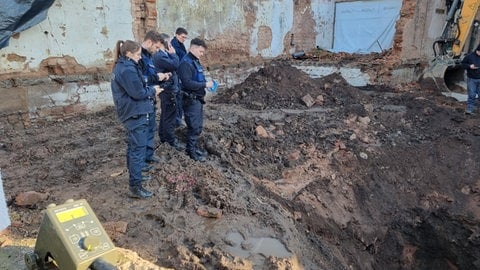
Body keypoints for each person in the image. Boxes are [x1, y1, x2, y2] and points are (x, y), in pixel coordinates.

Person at [111, 40, 163, 199]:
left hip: (134, 111)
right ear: (129, 54)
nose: (141, 58)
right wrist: (153, 90)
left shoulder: (126, 66)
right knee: (138, 148)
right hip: (135, 113)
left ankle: (137, 174)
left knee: (134, 147)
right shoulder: (127, 69)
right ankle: (135, 186)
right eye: (138, 54)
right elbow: (138, 93)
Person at [138, 30, 171, 168]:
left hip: (151, 98)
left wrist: (160, 78)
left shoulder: (149, 57)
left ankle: (148, 156)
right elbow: (139, 80)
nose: (157, 50)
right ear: (149, 42)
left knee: (151, 128)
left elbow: (149, 76)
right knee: (142, 132)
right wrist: (158, 77)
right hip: (142, 100)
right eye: (156, 47)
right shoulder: (138, 58)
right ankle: (141, 161)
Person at [177, 37, 214, 162]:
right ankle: (191, 152)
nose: (202, 54)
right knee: (193, 126)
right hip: (190, 100)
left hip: (198, 99)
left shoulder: (195, 61)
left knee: (198, 127)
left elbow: (198, 77)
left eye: (203, 52)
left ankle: (194, 148)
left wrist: (207, 82)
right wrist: (204, 85)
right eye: (200, 51)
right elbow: (187, 83)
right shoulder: (185, 63)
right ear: (193, 48)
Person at [153, 33, 186, 151]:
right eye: (169, 42)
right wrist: (174, 54)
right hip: (168, 90)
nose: (171, 45)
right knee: (170, 117)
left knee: (166, 115)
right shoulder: (160, 56)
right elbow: (175, 65)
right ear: (164, 43)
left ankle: (163, 136)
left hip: (169, 88)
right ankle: (171, 140)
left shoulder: (163, 55)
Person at [171, 27, 189, 128]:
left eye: (185, 38)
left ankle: (179, 119)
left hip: (181, 74)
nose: (184, 39)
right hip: (176, 75)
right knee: (177, 99)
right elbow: (176, 61)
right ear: (177, 35)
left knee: (181, 98)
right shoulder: (173, 46)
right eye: (183, 37)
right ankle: (177, 121)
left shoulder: (181, 45)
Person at [460, 44, 480, 115]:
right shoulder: (469, 56)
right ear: (477, 50)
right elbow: (462, 64)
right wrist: (469, 66)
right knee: (472, 95)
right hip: (472, 79)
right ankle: (469, 109)